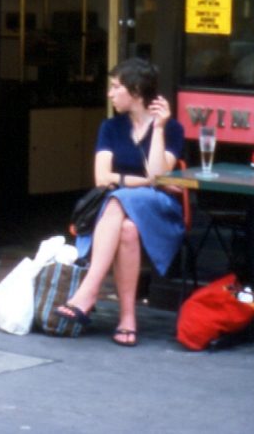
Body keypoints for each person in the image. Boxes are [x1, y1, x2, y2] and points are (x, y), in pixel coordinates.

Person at [56, 57, 185, 346]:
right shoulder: (110, 127)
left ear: (136, 91)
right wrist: (147, 182)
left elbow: (157, 173)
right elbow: (102, 178)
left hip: (157, 208)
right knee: (126, 225)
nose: (110, 94)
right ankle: (128, 319)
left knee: (117, 199)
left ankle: (88, 291)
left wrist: (160, 128)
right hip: (128, 206)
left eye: (116, 87)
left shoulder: (172, 129)